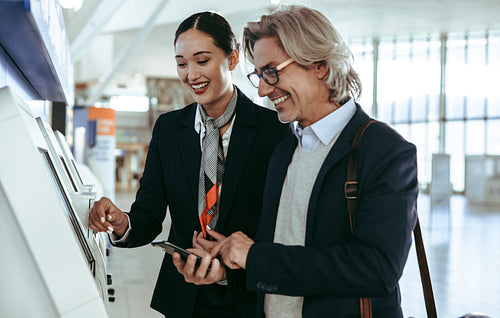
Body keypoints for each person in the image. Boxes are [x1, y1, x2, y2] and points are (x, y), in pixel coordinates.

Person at [204, 5, 419, 318]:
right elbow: (278, 252)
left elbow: (377, 269)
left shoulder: (385, 151)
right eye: (258, 76)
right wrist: (226, 270)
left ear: (319, 64)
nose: (263, 89)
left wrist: (256, 256)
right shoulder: (284, 147)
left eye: (272, 71)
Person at [88, 11, 289, 318]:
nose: (191, 74)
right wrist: (121, 223)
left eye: (202, 60)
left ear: (232, 59)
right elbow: (148, 215)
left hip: (245, 296)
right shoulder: (168, 129)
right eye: (182, 63)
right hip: (183, 297)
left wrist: (227, 268)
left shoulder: (273, 130)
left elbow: (280, 229)